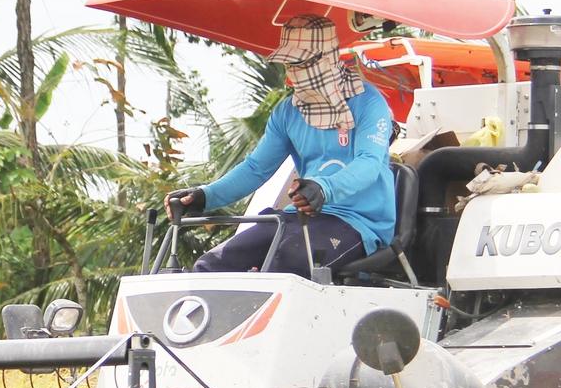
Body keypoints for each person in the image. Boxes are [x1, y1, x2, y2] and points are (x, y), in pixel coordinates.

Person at [165, 15, 396, 276]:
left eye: (302, 62)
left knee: (286, 264)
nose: (295, 72)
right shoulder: (287, 112)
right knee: (211, 265)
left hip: (358, 222)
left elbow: (369, 162)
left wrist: (324, 187)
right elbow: (256, 168)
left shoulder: (368, 102)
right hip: (300, 217)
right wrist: (206, 196)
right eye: (289, 64)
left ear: (328, 58)